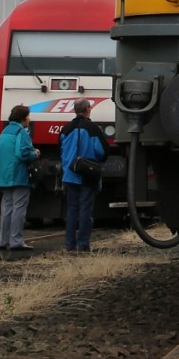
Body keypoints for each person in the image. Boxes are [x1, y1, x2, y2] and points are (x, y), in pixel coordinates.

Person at [59, 98, 109, 252]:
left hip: (70, 174)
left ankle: (69, 244)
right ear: (87, 109)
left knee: (72, 209)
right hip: (88, 174)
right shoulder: (93, 128)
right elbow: (102, 151)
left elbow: (61, 150)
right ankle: (83, 244)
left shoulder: (66, 129)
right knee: (85, 209)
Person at [0, 104, 40, 253]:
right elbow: (22, 154)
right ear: (23, 118)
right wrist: (35, 154)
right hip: (18, 175)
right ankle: (16, 241)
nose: (29, 119)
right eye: (28, 117)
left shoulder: (4, 131)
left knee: (6, 208)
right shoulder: (21, 132)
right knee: (19, 208)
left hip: (3, 176)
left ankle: (3, 240)